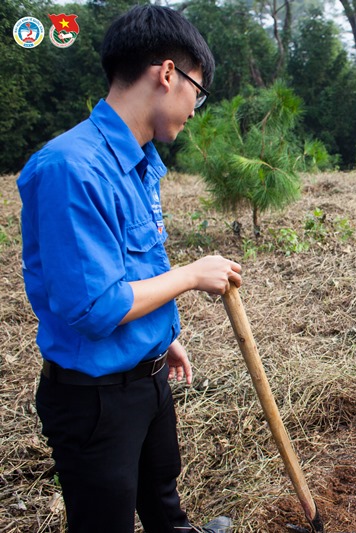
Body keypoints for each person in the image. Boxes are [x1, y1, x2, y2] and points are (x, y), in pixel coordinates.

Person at [16, 5, 240, 532]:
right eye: (197, 92)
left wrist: (160, 332)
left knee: (162, 497)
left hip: (148, 375)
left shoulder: (139, 162)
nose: (194, 109)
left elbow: (129, 269)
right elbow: (94, 307)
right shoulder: (71, 168)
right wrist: (189, 275)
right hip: (95, 400)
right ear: (167, 74)